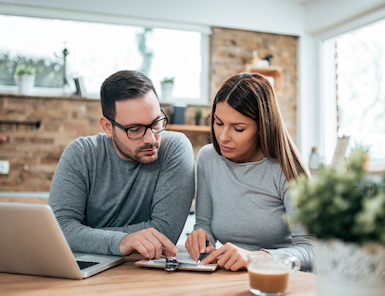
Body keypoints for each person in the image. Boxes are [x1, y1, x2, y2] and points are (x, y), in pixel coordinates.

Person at [49, 70, 195, 259]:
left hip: (144, 271)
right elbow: (59, 229)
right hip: (86, 268)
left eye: (156, 123)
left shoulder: (175, 148)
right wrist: (122, 241)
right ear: (108, 127)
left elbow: (165, 233)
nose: (151, 139)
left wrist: (86, 234)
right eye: (135, 129)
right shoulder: (82, 154)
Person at [185, 72, 313, 271]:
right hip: (231, 278)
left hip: (280, 280)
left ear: (262, 127)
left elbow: (311, 249)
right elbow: (204, 224)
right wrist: (202, 240)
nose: (223, 137)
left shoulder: (286, 169)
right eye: (218, 123)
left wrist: (257, 258)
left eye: (238, 128)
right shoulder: (208, 159)